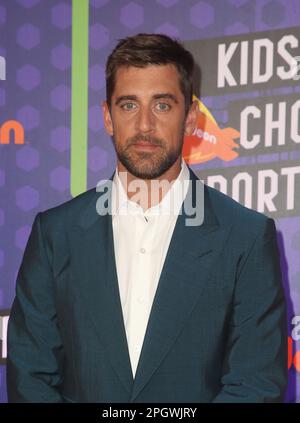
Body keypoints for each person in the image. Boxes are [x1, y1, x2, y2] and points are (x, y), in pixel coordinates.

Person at [7, 33, 287, 403]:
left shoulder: (246, 237)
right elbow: (31, 377)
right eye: (128, 105)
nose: (143, 126)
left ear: (189, 118)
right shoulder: (55, 234)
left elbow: (255, 383)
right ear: (108, 117)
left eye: (162, 106)